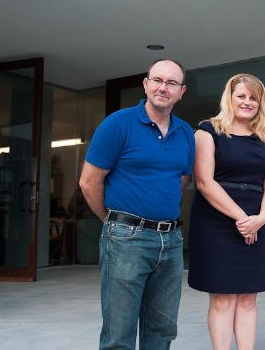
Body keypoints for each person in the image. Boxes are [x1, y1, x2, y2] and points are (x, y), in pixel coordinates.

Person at [79, 59, 194, 350]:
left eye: (171, 83)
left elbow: (180, 180)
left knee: (162, 329)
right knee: (119, 332)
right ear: (145, 85)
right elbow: (89, 181)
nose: (162, 88)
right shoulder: (118, 123)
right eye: (157, 80)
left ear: (181, 91)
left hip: (170, 239)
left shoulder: (185, 133)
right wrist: (111, 221)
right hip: (125, 238)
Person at [187, 73, 265, 350]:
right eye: (241, 95)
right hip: (216, 222)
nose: (247, 102)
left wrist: (261, 219)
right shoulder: (207, 130)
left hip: (256, 221)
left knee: (249, 298)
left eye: (253, 98)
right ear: (229, 98)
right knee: (224, 298)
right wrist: (242, 218)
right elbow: (204, 182)